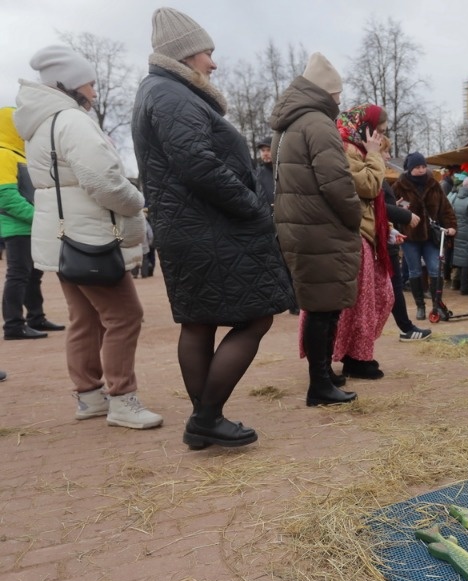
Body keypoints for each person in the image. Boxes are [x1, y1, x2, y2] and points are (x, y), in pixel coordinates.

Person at [132, 8, 295, 448]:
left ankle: (204, 420)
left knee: (199, 323)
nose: (213, 63)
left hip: (188, 229)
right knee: (258, 316)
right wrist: (253, 208)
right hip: (209, 230)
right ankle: (206, 417)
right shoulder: (171, 94)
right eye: (208, 52)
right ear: (185, 54)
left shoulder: (161, 91)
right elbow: (197, 163)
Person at [15, 44, 162, 429]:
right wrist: (138, 201)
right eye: (90, 84)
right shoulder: (72, 121)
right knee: (125, 315)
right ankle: (122, 400)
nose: (94, 92)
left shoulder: (39, 124)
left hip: (63, 239)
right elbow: (104, 181)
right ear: (68, 85)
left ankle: (90, 397)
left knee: (84, 318)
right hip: (91, 238)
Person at [269, 52, 364, 405]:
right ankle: (320, 384)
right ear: (327, 92)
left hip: (299, 226)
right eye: (337, 93)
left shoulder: (288, 124)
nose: (340, 100)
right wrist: (354, 217)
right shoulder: (318, 123)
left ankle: (324, 376)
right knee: (326, 307)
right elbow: (335, 181)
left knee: (319, 305)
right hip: (321, 227)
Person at [333, 103, 394, 379]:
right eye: (378, 131)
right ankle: (354, 356)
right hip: (354, 233)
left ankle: (357, 353)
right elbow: (369, 186)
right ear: (365, 128)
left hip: (366, 233)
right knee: (361, 300)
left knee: (377, 296)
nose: (380, 137)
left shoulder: (355, 148)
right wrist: (374, 154)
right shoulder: (348, 150)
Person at [1, 106, 64, 340]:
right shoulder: (4, 153)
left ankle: (35, 317)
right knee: (18, 275)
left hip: (30, 225)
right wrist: (39, 215)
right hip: (18, 226)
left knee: (33, 275)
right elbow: (5, 197)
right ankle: (13, 325)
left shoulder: (19, 154)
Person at [393, 152, 457, 321]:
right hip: (410, 236)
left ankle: (437, 305)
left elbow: (445, 208)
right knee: (415, 271)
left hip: (431, 235)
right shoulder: (399, 185)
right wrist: (399, 211)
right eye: (417, 167)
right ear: (409, 169)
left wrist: (451, 226)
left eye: (423, 166)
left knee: (436, 268)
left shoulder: (434, 184)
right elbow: (388, 207)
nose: (421, 170)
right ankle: (420, 306)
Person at [381, 145, 432, 341]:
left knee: (395, 286)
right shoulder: (374, 176)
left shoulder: (379, 175)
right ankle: (409, 323)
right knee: (403, 279)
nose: (388, 155)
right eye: (385, 151)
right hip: (386, 240)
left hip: (391, 237)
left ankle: (408, 326)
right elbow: (375, 206)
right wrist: (404, 214)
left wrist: (391, 230)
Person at [450, 175, 468, 295]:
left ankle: (458, 283)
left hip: (459, 233)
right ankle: (465, 287)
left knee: (462, 260)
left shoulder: (457, 198)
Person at [254, 137, 274, 206]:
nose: (265, 154)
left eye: (268, 150)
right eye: (263, 150)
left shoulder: (282, 170)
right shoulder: (257, 173)